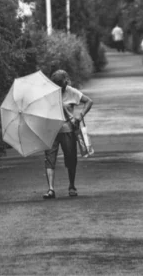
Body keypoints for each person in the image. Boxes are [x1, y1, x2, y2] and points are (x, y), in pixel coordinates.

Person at [43, 70, 94, 199]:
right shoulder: (47, 93)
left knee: (71, 158)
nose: (60, 88)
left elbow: (89, 101)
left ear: (66, 83)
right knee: (49, 159)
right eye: (58, 85)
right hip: (51, 131)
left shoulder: (72, 92)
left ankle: (72, 186)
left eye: (62, 85)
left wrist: (80, 115)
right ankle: (50, 189)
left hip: (68, 130)